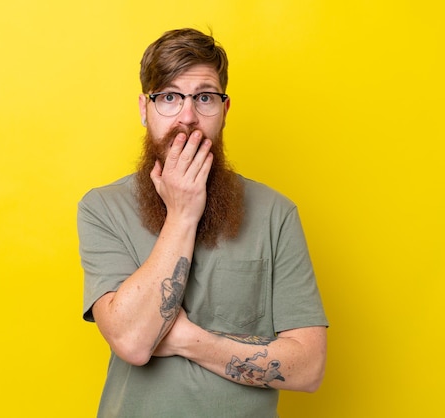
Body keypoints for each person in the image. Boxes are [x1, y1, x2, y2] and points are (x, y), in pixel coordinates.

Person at [78, 28, 328, 418]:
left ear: (225, 111)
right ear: (145, 109)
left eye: (205, 97)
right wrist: (182, 214)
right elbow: (131, 341)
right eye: (170, 97)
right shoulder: (102, 208)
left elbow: (309, 368)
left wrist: (184, 338)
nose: (188, 116)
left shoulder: (276, 213)